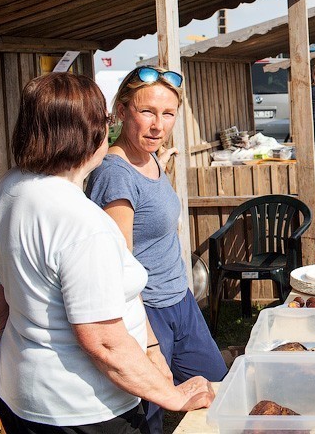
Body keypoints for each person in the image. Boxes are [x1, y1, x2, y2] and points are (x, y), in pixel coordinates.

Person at [0, 73, 212, 433]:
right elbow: (104, 342)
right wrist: (171, 396)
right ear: (87, 132)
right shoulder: (82, 221)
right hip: (86, 409)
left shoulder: (11, 187)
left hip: (25, 397)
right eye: (104, 119)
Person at [87, 66, 227, 433]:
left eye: (168, 114)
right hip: (146, 313)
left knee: (218, 387)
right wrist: (148, 344)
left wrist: (159, 163)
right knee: (147, 416)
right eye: (146, 112)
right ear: (121, 110)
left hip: (179, 301)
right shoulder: (114, 175)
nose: (158, 125)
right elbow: (119, 268)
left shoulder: (150, 158)